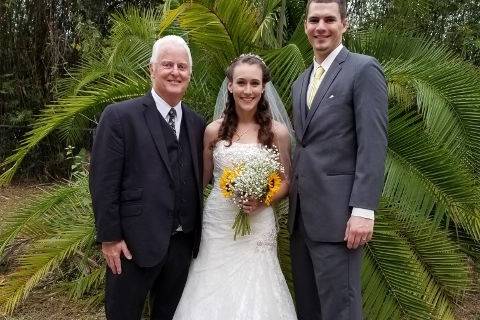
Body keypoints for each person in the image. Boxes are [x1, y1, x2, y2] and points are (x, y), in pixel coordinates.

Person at [89, 35, 205, 320]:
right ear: (151, 69)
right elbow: (103, 181)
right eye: (167, 64)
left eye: (182, 66)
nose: (175, 72)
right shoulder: (119, 117)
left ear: (190, 73)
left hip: (182, 244)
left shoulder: (197, 123)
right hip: (133, 245)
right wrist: (110, 238)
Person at [172, 54, 297, 320]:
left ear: (263, 87)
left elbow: (287, 181)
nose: (247, 90)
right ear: (230, 85)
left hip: (259, 223)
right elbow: (201, 180)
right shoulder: (212, 131)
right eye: (241, 82)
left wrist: (263, 200)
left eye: (254, 83)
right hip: (218, 222)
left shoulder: (278, 133)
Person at [288, 0, 388, 319]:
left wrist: (363, 209)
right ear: (305, 25)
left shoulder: (363, 69)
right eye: (314, 19)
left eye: (329, 19)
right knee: (309, 308)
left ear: (344, 24)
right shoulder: (300, 81)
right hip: (301, 218)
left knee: (340, 310)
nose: (321, 26)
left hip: (339, 219)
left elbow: (373, 142)